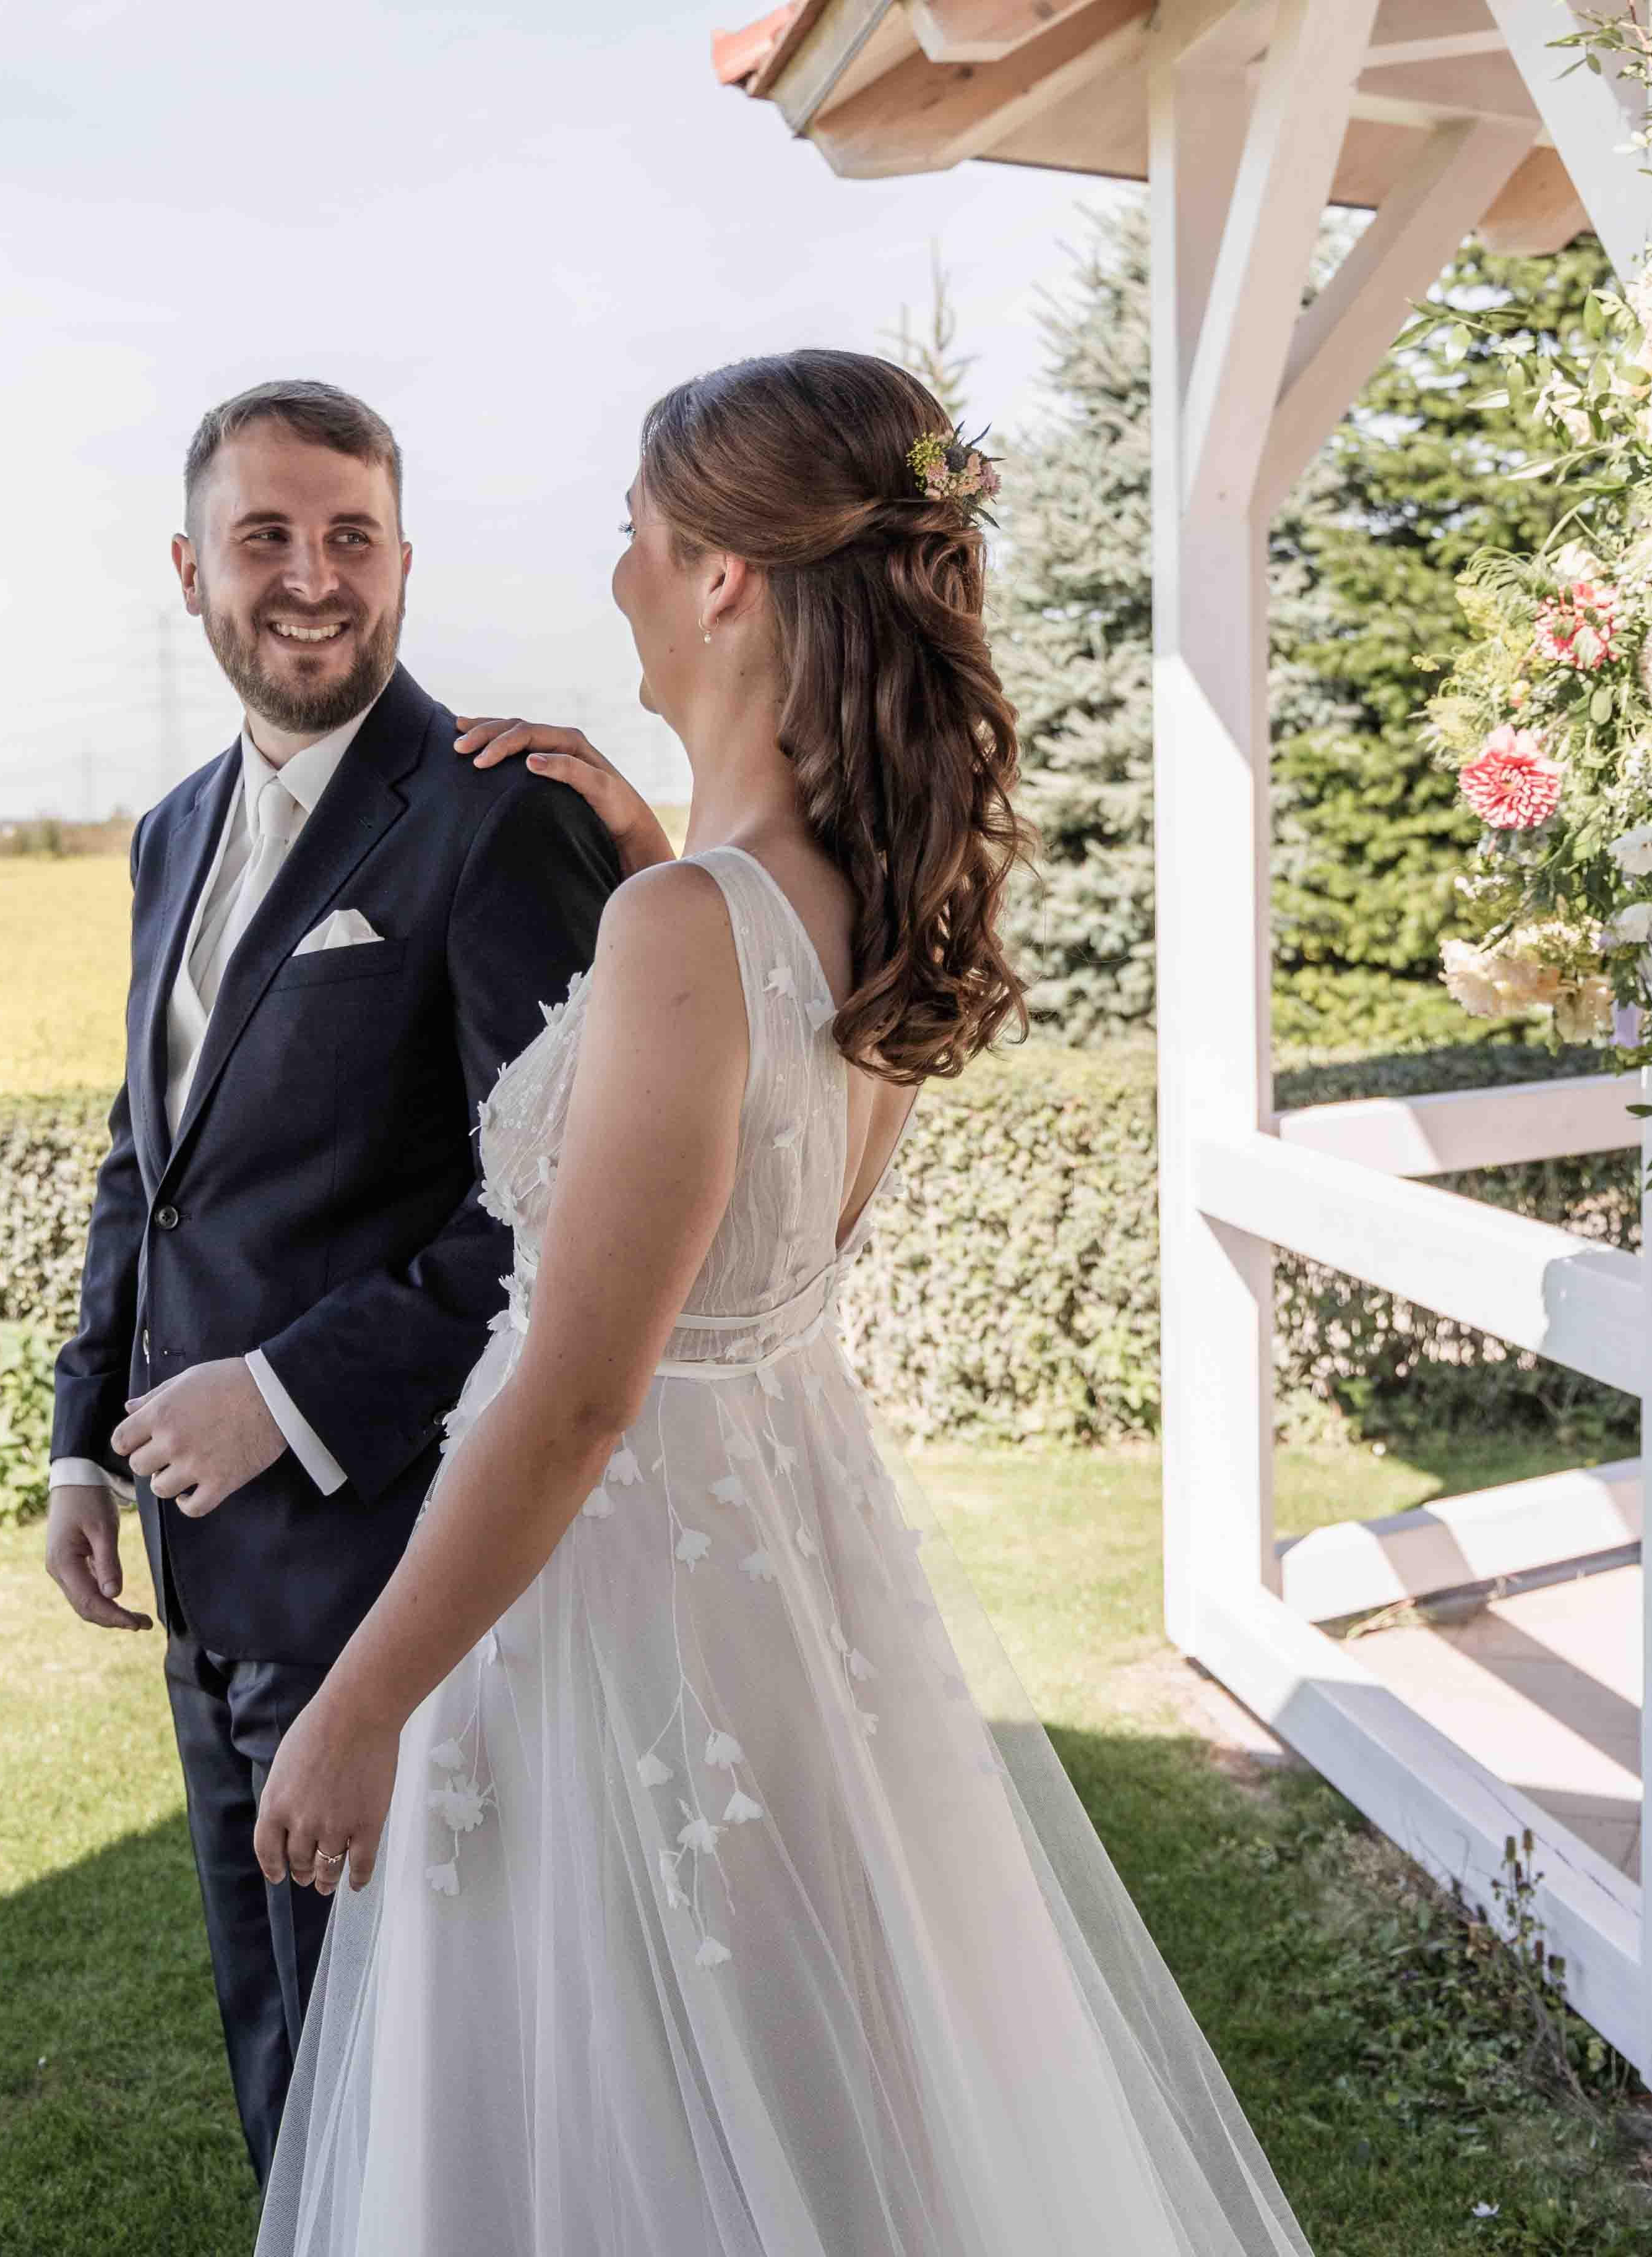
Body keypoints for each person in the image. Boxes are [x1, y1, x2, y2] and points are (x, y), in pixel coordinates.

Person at [246, 350, 1318, 2255]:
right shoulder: (836, 902)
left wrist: (361, 1703)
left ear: (726, 576)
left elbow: (579, 1396)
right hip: (782, 1586)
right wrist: (663, 858)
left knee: (609, 2120)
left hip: (615, 1599)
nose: (618, 582)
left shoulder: (687, 930)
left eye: (639, 540)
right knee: (807, 2109)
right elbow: (765, 1237)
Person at [41, 379, 630, 2185]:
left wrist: (287, 1393)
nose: (314, 578)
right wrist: (84, 1446)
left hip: (393, 1573)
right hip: (207, 1580)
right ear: (190, 567)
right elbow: (154, 1161)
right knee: (281, 2069)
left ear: (401, 559)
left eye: (351, 536)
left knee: (404, 2089)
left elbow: (559, 1222)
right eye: (269, 537)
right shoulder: (165, 834)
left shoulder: (494, 820)